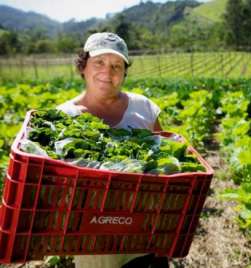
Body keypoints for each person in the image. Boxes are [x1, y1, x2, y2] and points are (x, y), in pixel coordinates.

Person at [57, 32, 168, 268]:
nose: (108, 72)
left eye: (117, 65)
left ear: (124, 73)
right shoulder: (64, 117)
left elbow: (163, 159)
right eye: (99, 62)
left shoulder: (144, 108)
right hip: (94, 244)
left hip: (145, 233)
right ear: (83, 66)